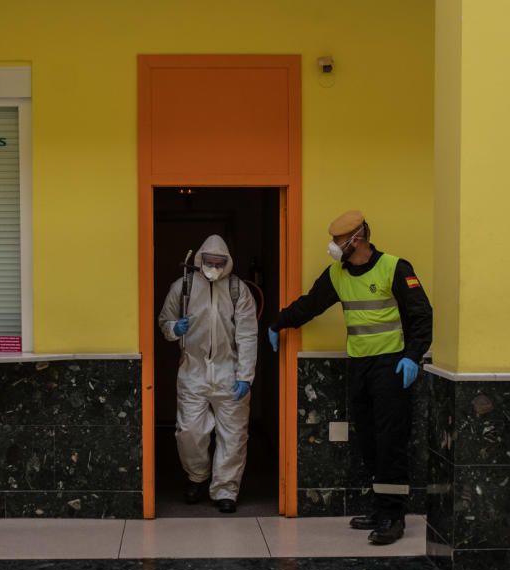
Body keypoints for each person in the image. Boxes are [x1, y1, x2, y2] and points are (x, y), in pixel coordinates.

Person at [268, 211, 432, 545]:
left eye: (338, 241)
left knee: (390, 441)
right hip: (360, 366)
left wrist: (413, 356)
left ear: (356, 240)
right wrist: (278, 322)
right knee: (369, 440)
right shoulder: (338, 274)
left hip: (391, 365)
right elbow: (311, 304)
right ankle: (378, 507)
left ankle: (393, 516)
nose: (333, 246)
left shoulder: (395, 268)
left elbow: (421, 315)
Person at [158, 234, 258, 513]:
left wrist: (245, 377)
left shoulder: (239, 290)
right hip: (193, 372)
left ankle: (226, 490)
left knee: (234, 435)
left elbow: (248, 335)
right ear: (199, 259)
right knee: (189, 431)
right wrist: (173, 328)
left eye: (219, 262)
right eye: (209, 261)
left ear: (228, 263)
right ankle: (197, 477)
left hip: (230, 373)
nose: (214, 266)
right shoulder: (184, 287)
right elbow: (164, 321)